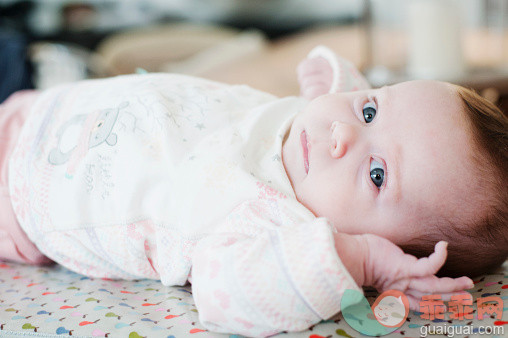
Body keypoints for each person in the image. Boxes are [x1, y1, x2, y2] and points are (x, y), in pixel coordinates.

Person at [0, 46, 506, 336]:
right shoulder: (316, 135)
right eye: (369, 110)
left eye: (377, 175)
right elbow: (346, 114)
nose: (343, 136)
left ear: (384, 244)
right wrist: (338, 85)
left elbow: (229, 294)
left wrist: (360, 262)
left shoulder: (270, 229)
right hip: (44, 109)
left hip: (19, 196)